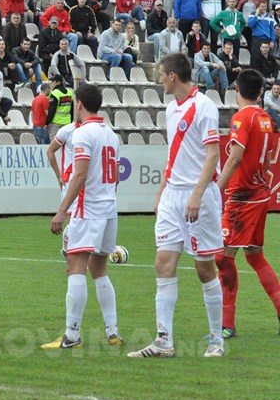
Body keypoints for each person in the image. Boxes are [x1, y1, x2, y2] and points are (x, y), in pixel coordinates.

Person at [128, 53, 225, 359]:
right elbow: (174, 154)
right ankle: (163, 341)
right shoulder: (171, 108)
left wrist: (196, 194)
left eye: (161, 74)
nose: (159, 79)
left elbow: (212, 154)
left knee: (204, 267)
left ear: (172, 76)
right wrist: (162, 191)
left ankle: (216, 341)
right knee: (162, 262)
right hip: (172, 195)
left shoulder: (205, 107)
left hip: (199, 195)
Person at [43, 84, 121, 349]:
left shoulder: (83, 134)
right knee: (99, 269)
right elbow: (116, 177)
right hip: (109, 209)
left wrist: (62, 211)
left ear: (78, 104)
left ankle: (72, 335)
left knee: (74, 268)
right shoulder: (111, 134)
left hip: (88, 211)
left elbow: (80, 174)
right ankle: (112, 331)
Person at [216, 69, 280, 340]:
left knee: (222, 257)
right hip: (261, 192)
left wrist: (215, 190)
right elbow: (267, 160)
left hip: (242, 197)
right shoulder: (266, 118)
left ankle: (227, 325)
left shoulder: (242, 118)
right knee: (254, 255)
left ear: (236, 90)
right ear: (260, 92)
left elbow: (235, 157)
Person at [46, 74, 73, 139]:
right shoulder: (70, 92)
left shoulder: (54, 93)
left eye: (53, 81)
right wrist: (70, 120)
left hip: (56, 124)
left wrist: (47, 122)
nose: (51, 83)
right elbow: (72, 110)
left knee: (54, 144)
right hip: (67, 123)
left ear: (58, 82)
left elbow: (51, 110)